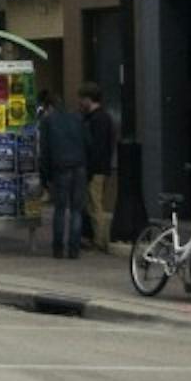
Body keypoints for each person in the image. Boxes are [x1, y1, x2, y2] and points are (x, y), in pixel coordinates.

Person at [36, 90, 88, 260]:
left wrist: (45, 177)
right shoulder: (77, 118)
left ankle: (58, 248)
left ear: (49, 107)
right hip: (79, 166)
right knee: (76, 210)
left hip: (60, 168)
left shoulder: (48, 121)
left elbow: (44, 151)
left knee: (59, 209)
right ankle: (74, 249)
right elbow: (89, 142)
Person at [78, 82, 117, 254]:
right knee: (94, 204)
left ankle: (100, 241)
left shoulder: (97, 119)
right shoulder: (103, 117)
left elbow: (97, 148)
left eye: (82, 99)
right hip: (100, 168)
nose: (80, 102)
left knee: (95, 205)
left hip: (96, 169)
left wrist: (90, 170)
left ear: (89, 99)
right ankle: (97, 239)